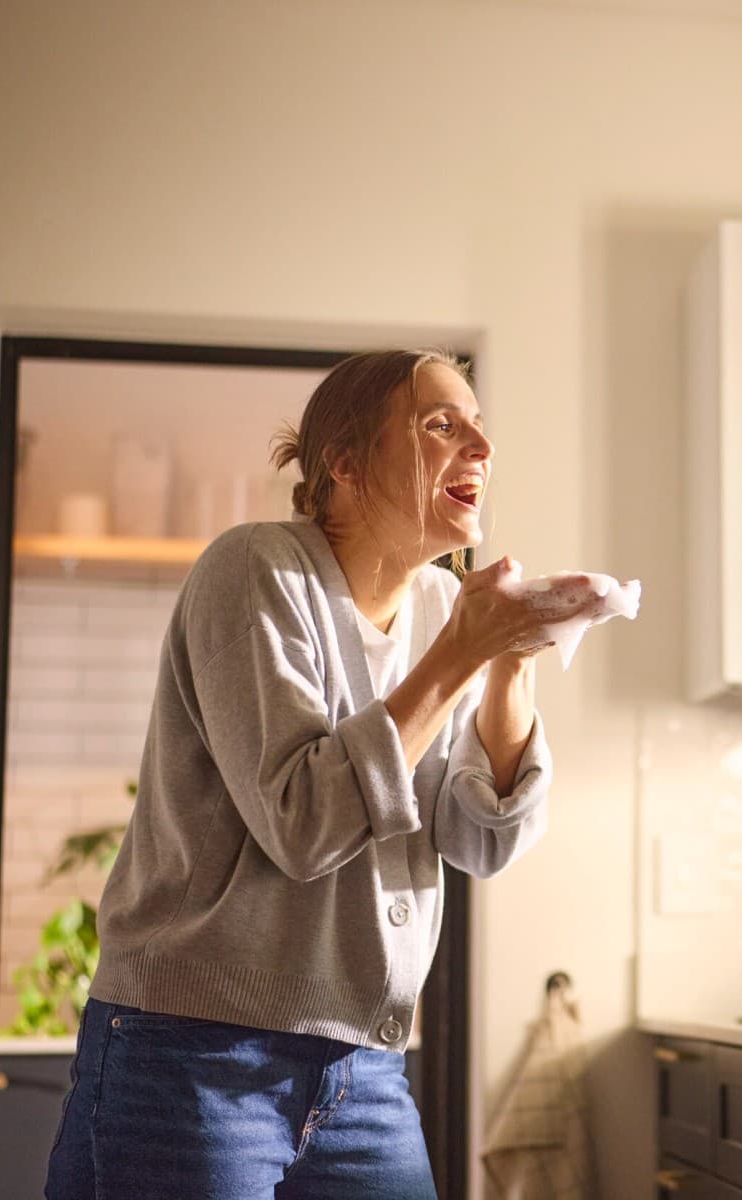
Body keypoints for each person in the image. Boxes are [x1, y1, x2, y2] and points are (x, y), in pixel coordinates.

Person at [46, 349, 615, 1199]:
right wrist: (464, 650)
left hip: (367, 1072)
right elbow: (303, 821)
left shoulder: (437, 610)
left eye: (481, 429)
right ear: (343, 463)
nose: (481, 448)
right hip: (193, 1057)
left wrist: (511, 663)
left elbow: (479, 839)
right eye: (441, 425)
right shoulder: (254, 571)